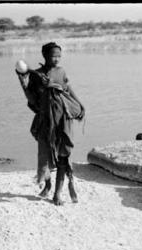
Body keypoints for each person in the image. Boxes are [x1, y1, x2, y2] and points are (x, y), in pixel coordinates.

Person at [17, 42, 85, 205]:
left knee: (64, 155)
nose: (56, 59)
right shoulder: (36, 74)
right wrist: (24, 83)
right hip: (46, 120)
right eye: (53, 56)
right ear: (45, 56)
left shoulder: (61, 71)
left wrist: (80, 104)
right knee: (45, 155)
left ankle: (58, 193)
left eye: (59, 56)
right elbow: (32, 99)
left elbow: (67, 89)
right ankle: (47, 184)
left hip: (63, 118)